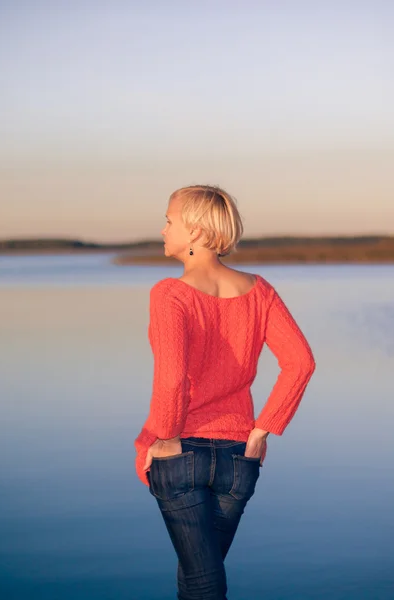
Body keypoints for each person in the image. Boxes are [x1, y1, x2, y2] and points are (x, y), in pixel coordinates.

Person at [134, 184, 316, 600]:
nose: (163, 229)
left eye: (169, 220)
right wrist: (261, 431)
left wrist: (163, 438)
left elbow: (173, 376)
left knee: (202, 583)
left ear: (195, 231)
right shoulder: (260, 290)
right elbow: (301, 364)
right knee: (197, 574)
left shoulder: (170, 294)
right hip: (238, 457)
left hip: (180, 452)